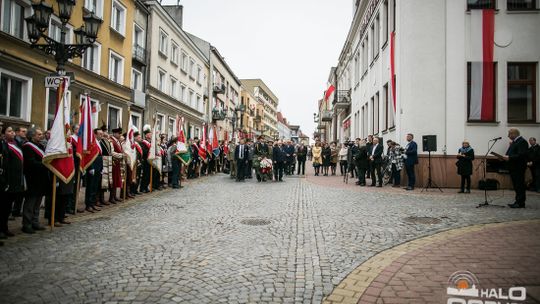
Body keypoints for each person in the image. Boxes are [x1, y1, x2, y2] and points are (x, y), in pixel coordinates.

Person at [21, 127, 49, 233]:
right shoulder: (27, 147)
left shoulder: (41, 146)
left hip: (41, 179)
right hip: (32, 179)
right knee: (30, 203)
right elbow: (31, 163)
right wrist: (45, 164)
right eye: (39, 134)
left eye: (41, 134)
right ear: (32, 136)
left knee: (37, 202)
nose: (41, 136)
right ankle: (26, 224)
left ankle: (35, 222)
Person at [0, 126, 24, 239]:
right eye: (9, 131)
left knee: (8, 207)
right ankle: (1, 229)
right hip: (7, 180)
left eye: (13, 131)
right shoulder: (4, 145)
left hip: (15, 180)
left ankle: (5, 228)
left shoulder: (16, 144)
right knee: (3, 207)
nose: (12, 133)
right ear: (4, 134)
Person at [503, 128, 529, 208]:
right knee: (516, 185)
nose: (508, 136)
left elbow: (521, 155)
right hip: (513, 167)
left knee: (519, 185)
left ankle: (520, 203)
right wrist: (504, 157)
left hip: (518, 167)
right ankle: (517, 201)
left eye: (509, 134)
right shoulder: (515, 142)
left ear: (514, 134)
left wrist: (509, 157)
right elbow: (509, 153)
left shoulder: (522, 142)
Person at [85, 128, 103, 213]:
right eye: (100, 134)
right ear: (95, 134)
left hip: (98, 167)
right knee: (90, 186)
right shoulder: (92, 143)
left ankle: (92, 203)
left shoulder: (99, 143)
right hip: (92, 167)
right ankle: (88, 204)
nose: (101, 135)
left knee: (95, 186)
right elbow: (90, 156)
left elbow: (100, 156)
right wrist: (91, 167)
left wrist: (101, 168)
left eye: (102, 134)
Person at [110, 128, 125, 202]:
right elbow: (111, 152)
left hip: (118, 163)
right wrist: (121, 155)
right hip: (114, 163)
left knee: (117, 179)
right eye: (119, 134)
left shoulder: (117, 141)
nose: (120, 135)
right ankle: (111, 197)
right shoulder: (111, 141)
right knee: (114, 179)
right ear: (115, 133)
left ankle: (115, 196)